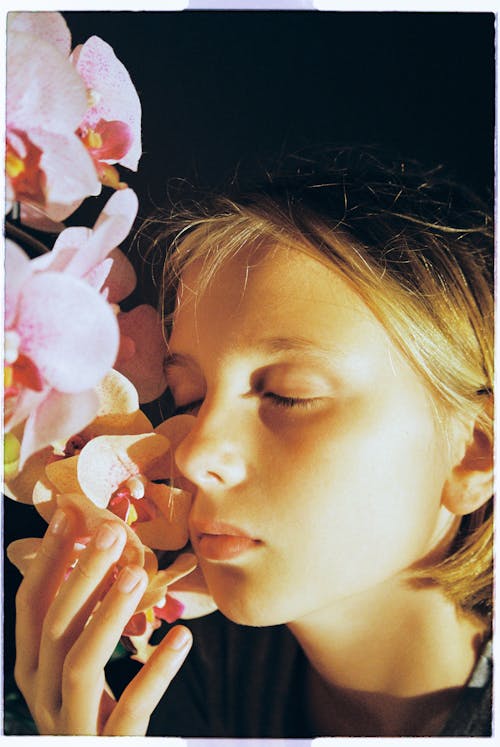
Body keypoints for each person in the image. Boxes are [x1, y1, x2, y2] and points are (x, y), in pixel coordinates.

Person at [13, 147, 493, 737]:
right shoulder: (160, 697)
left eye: (287, 395)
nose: (190, 453)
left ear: (474, 452)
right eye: (188, 397)